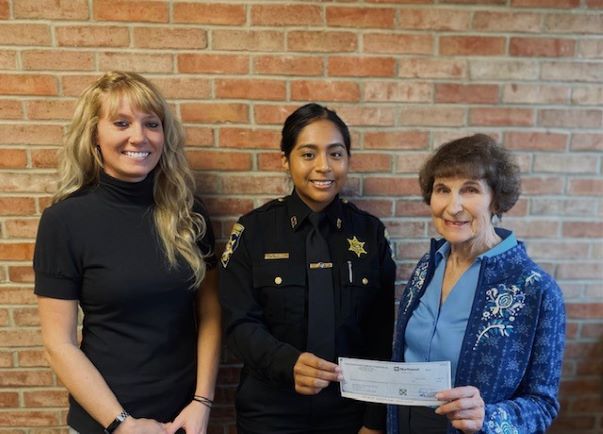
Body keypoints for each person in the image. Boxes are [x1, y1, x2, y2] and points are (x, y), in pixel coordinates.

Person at [33, 71, 221, 434]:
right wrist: (122, 424)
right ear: (94, 136)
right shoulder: (64, 221)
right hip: (104, 422)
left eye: (151, 124)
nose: (139, 136)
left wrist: (202, 402)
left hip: (183, 421)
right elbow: (59, 343)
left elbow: (212, 313)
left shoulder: (189, 213)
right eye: (121, 123)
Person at [220, 103, 396, 434]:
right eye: (309, 154)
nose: (324, 167)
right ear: (285, 160)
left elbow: (381, 334)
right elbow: (239, 324)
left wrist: (374, 420)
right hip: (271, 412)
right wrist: (288, 364)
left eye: (335, 154)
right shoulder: (253, 232)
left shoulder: (370, 234)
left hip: (349, 412)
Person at [387, 134, 565, 434]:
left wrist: (488, 418)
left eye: (469, 190)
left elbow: (543, 404)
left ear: (496, 199)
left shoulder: (537, 289)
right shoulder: (426, 267)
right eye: (443, 189)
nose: (453, 206)